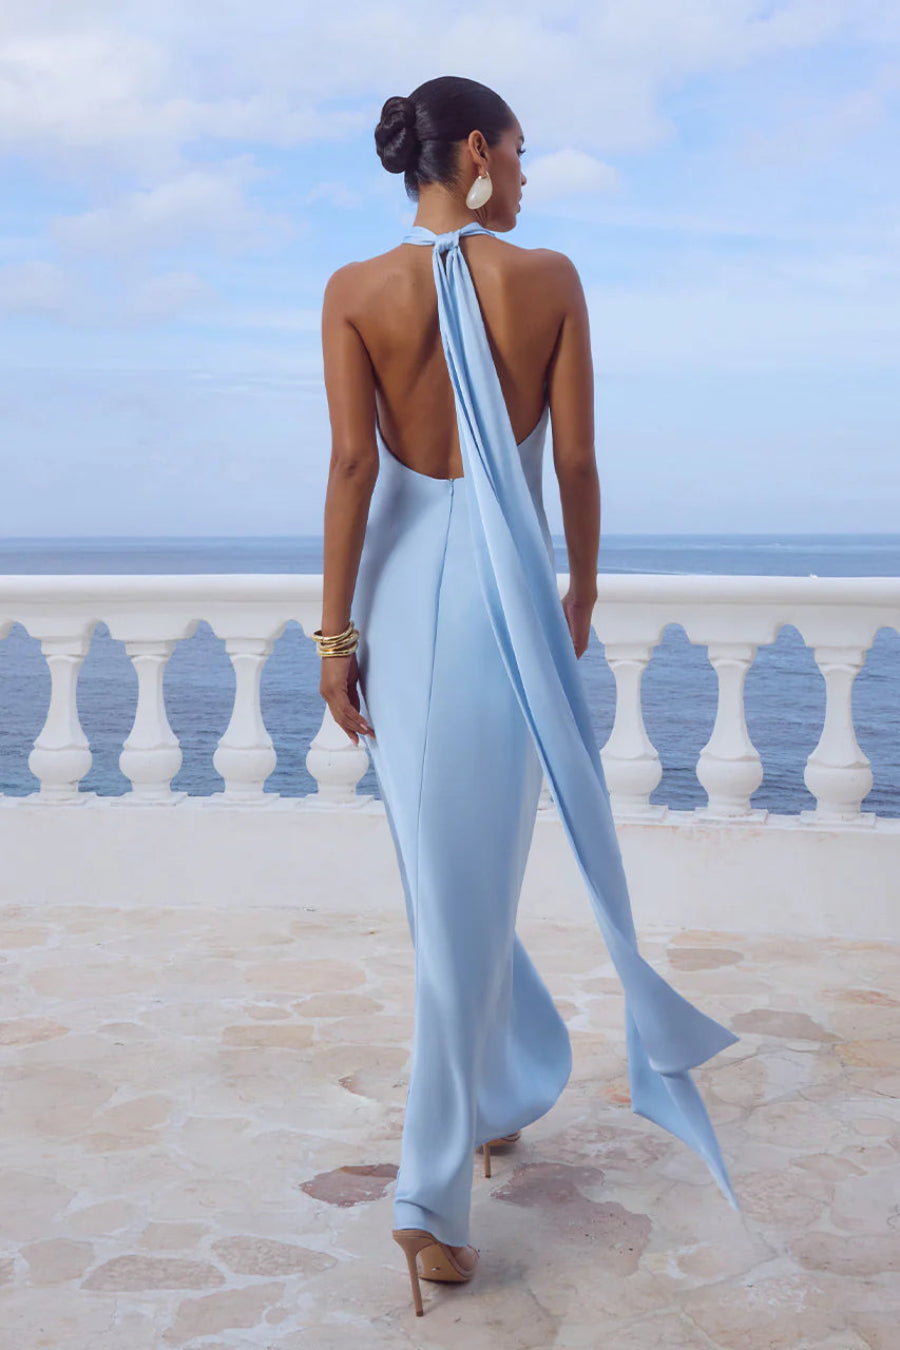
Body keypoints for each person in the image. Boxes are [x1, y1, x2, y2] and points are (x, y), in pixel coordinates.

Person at [315, 75, 740, 1318]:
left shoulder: (352, 292)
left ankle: (493, 1092)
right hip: (502, 597)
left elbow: (350, 464)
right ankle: (427, 1198)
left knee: (448, 883)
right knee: (471, 879)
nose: (530, 169)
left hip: (398, 594)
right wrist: (584, 590)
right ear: (483, 154)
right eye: (522, 148)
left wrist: (334, 635)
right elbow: (576, 458)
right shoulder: (547, 277)